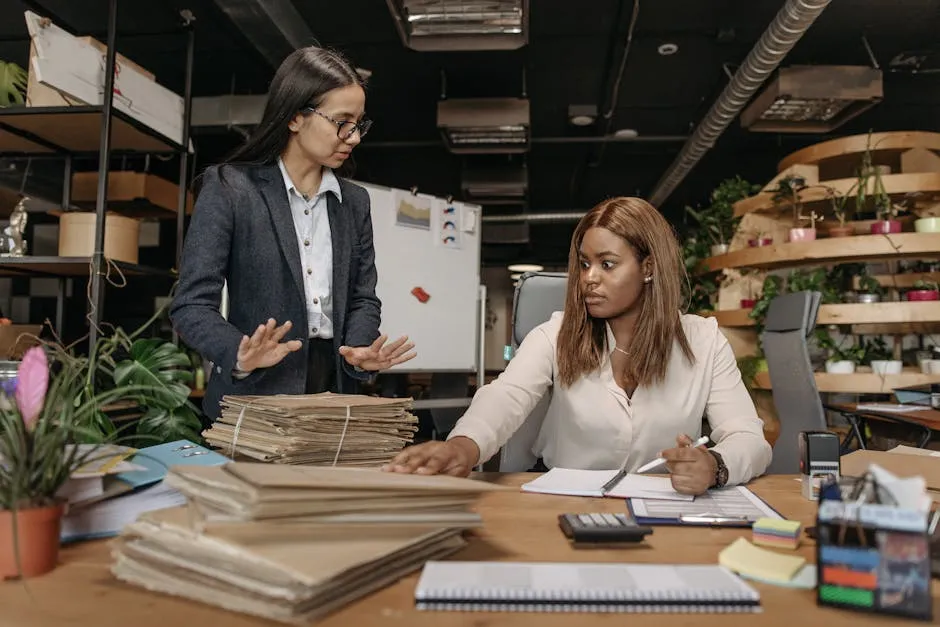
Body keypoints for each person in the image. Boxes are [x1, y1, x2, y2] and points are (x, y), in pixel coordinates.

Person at [383, 197, 772, 495]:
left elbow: (749, 438)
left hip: (661, 510)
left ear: (649, 268)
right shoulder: (556, 333)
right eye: (584, 264)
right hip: (563, 503)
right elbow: (505, 396)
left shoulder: (703, 341)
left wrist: (715, 466)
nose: (588, 278)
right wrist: (463, 448)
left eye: (607, 264)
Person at [170, 46, 415, 421]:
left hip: (335, 394)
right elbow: (191, 304)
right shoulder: (230, 188)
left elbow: (363, 298)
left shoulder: (354, 202)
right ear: (296, 117)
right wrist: (239, 351)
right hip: (254, 394)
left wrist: (360, 348)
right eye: (342, 122)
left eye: (360, 124)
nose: (354, 138)